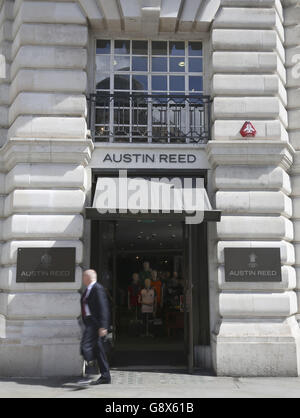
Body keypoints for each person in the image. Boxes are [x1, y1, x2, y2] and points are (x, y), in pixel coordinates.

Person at [80, 269, 111, 385]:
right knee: (98, 350)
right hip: (89, 322)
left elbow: (104, 307)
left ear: (89, 277)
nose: (82, 278)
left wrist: (103, 326)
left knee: (85, 346)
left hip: (94, 323)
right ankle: (105, 376)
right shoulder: (88, 290)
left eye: (84, 276)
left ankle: (90, 372)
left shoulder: (97, 288)